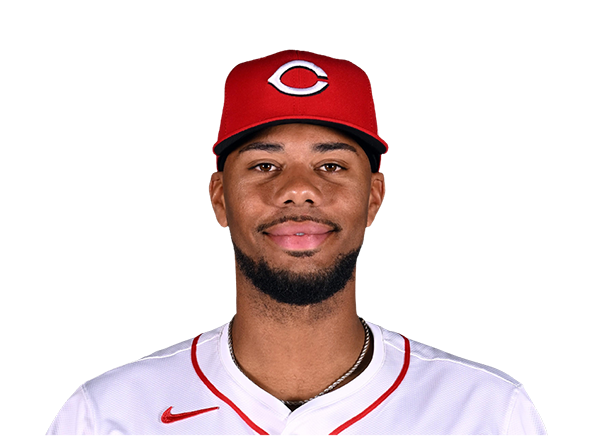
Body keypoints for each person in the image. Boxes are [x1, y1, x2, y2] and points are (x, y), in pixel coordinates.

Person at [48, 50, 546, 435]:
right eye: (265, 165)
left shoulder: (484, 410)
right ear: (220, 200)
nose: (298, 190)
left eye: (332, 165)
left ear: (372, 201)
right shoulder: (111, 413)